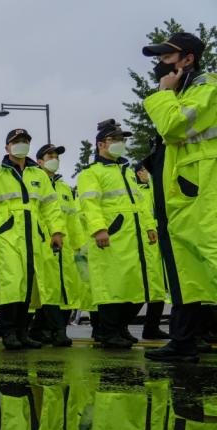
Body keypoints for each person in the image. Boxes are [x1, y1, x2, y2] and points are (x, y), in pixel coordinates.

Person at [141, 32, 217, 362]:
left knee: (210, 260)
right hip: (184, 192)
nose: (161, 65)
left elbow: (173, 126)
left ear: (188, 59)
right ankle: (184, 340)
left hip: (204, 189)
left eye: (167, 58)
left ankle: (188, 338)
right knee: (187, 270)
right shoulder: (184, 90)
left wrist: (162, 95)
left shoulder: (207, 87)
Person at [0, 129, 64, 350]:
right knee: (12, 282)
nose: (21, 144)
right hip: (7, 234)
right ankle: (8, 331)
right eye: (16, 141)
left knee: (29, 285)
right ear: (7, 147)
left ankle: (23, 332)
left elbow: (50, 206)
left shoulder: (38, 174)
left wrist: (56, 231)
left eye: (25, 141)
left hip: (33, 234)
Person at [77, 119, 160, 349]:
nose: (121, 143)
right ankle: (109, 331)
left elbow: (140, 202)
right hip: (110, 237)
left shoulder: (127, 171)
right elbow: (90, 204)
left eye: (122, 140)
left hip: (133, 238)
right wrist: (99, 228)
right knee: (111, 285)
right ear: (101, 144)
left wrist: (149, 226)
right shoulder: (91, 173)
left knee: (134, 285)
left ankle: (120, 328)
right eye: (115, 139)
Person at [31, 143, 81, 347]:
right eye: (49, 155)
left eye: (56, 156)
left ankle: (39, 330)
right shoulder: (32, 182)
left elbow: (73, 218)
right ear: (39, 161)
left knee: (66, 288)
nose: (54, 159)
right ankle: (58, 330)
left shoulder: (64, 188)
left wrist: (79, 245)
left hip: (66, 246)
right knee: (48, 288)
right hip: (43, 242)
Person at [133, 162, 169, 340]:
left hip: (160, 241)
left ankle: (152, 327)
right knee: (150, 287)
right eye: (146, 171)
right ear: (139, 173)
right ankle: (121, 325)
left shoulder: (154, 188)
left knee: (159, 288)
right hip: (148, 243)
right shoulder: (137, 192)